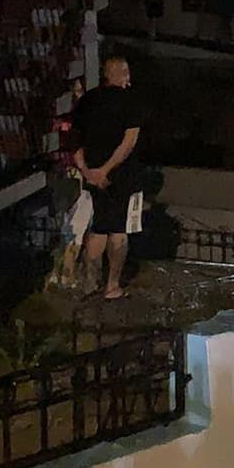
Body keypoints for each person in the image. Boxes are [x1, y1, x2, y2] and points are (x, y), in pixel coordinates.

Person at [72, 57, 144, 300]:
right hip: (121, 176)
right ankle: (112, 285)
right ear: (122, 74)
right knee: (119, 230)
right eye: (127, 74)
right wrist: (106, 169)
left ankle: (89, 284)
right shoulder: (131, 102)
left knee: (99, 227)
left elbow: (75, 140)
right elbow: (129, 141)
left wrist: (87, 171)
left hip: (92, 175)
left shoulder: (88, 100)